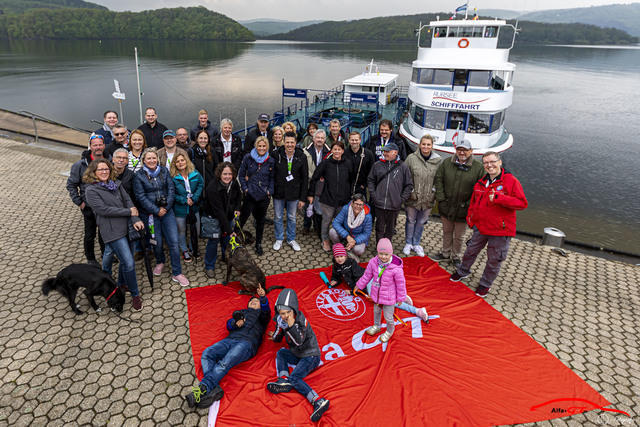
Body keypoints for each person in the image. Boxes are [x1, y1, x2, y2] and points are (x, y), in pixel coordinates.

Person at [450, 152, 528, 297]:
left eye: (492, 161)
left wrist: (500, 198)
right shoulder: (481, 182)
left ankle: (485, 284)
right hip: (481, 227)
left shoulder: (510, 181)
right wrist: (470, 219)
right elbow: (474, 202)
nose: (489, 165)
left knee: (494, 259)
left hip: (500, 230)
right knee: (470, 251)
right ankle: (463, 271)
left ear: (499, 162)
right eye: (486, 163)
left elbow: (522, 203)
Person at [185, 286, 270, 409]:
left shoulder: (262, 316)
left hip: (246, 343)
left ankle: (201, 390)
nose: (253, 301)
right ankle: (214, 389)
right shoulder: (242, 312)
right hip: (230, 340)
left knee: (224, 363)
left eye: (256, 302)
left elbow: (267, 311)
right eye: (251, 301)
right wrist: (235, 324)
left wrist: (262, 298)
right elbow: (229, 325)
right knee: (207, 353)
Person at [83, 159, 145, 311]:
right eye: (100, 170)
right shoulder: (91, 190)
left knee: (125, 262)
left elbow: (128, 200)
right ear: (93, 173)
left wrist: (135, 218)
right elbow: (104, 210)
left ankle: (122, 285)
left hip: (128, 227)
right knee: (129, 263)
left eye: (106, 169)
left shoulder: (115, 183)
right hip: (112, 231)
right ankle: (135, 295)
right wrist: (128, 212)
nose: (104, 172)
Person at [267, 288, 330, 423]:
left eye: (285, 313)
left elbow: (299, 342)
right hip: (297, 354)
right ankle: (284, 379)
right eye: (280, 313)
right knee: (281, 353)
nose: (283, 316)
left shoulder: (301, 322)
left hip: (310, 355)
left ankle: (318, 401)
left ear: (293, 311)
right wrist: (276, 336)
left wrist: (291, 326)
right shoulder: (281, 318)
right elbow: (279, 332)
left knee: (295, 377)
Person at [133, 147, 190, 287]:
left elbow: (171, 189)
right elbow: (140, 197)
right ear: (144, 161)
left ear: (157, 159)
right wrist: (156, 210)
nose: (152, 160)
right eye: (149, 158)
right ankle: (160, 261)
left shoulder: (164, 171)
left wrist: (166, 207)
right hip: (150, 215)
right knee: (156, 242)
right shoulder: (138, 176)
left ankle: (177, 272)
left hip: (167, 212)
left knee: (174, 242)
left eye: (154, 158)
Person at [433, 139, 484, 267]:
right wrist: (441, 199)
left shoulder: (478, 168)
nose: (462, 152)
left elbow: (480, 189)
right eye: (459, 149)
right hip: (446, 206)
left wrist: (467, 205)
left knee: (459, 236)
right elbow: (438, 179)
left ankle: (456, 256)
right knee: (447, 231)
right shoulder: (446, 163)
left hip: (464, 209)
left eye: (465, 150)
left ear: (471, 151)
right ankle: (445, 253)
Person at [355, 238, 407, 343]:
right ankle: (377, 326)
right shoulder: (373, 262)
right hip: (376, 295)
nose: (383, 257)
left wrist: (401, 297)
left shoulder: (396, 269)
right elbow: (366, 276)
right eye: (381, 254)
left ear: (391, 254)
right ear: (377, 252)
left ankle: (389, 331)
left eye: (386, 254)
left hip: (389, 297)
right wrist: (359, 285)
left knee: (388, 317)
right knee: (376, 312)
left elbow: (400, 284)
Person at [66, 133, 106, 265]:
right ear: (90, 146)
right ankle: (90, 259)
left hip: (105, 205)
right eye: (95, 145)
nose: (98, 147)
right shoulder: (80, 165)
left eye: (100, 144)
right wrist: (79, 202)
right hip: (88, 206)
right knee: (90, 234)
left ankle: (106, 254)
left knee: (104, 233)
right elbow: (71, 184)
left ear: (104, 145)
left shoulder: (109, 160)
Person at [307, 141, 353, 252]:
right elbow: (314, 178)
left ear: (342, 151)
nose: (337, 151)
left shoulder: (348, 163)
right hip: (328, 199)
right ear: (331, 151)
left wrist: (350, 195)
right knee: (326, 221)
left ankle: (339, 240)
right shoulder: (325, 163)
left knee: (341, 222)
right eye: (335, 149)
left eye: (339, 149)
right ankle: (325, 240)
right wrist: (311, 194)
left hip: (343, 200)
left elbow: (351, 179)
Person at [403, 134, 442, 257]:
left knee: (421, 221)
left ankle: (416, 243)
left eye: (428, 144)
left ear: (432, 146)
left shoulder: (438, 161)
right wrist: (410, 191)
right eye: (423, 144)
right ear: (419, 145)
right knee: (410, 220)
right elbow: (405, 176)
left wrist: (434, 192)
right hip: (413, 197)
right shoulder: (411, 158)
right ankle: (408, 242)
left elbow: (439, 179)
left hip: (428, 198)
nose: (425, 147)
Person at [367, 142, 413, 242]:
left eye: (388, 151)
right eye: (384, 151)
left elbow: (409, 185)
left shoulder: (403, 166)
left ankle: (387, 248)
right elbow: (370, 180)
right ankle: (379, 248)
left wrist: (401, 199)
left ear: (395, 152)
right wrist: (374, 195)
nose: (385, 153)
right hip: (379, 203)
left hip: (394, 205)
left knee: (390, 228)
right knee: (379, 227)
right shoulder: (377, 165)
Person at [202, 162, 242, 278]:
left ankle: (226, 257)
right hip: (213, 218)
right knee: (213, 242)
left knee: (226, 241)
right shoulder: (212, 188)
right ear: (219, 174)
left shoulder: (233, 182)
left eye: (230, 174)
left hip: (227, 216)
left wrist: (237, 208)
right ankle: (209, 266)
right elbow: (219, 211)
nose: (227, 177)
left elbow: (239, 196)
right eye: (225, 174)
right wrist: (230, 231)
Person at [238, 136, 275, 256]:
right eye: (259, 145)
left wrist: (270, 191)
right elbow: (241, 175)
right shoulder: (248, 158)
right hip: (250, 194)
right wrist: (245, 188)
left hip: (263, 196)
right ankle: (235, 240)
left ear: (267, 147)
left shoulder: (270, 160)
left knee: (260, 221)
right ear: (256, 146)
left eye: (264, 146)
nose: (262, 148)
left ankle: (258, 243)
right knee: (243, 218)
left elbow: (272, 178)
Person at [272, 131, 308, 252]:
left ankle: (291, 239)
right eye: (287, 142)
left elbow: (305, 178)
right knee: (277, 216)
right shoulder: (276, 154)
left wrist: (303, 198)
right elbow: (272, 174)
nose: (289, 145)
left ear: (296, 143)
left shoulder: (301, 156)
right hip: (279, 192)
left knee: (292, 217)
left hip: (294, 193)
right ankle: (279, 238)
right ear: (283, 142)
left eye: (292, 142)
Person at [170, 153, 204, 263]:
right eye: (178, 161)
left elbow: (201, 184)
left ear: (186, 161)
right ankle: (184, 250)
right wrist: (184, 200)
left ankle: (192, 246)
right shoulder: (173, 177)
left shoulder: (194, 173)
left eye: (182, 160)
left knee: (197, 229)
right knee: (181, 230)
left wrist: (195, 197)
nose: (180, 163)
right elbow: (172, 193)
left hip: (194, 207)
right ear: (174, 164)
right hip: (180, 208)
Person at [302, 129, 330, 236]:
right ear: (313, 139)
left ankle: (318, 226)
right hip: (309, 181)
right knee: (308, 204)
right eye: (317, 138)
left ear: (325, 140)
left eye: (322, 138)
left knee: (319, 206)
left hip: (322, 183)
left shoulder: (329, 152)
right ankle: (306, 226)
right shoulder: (306, 151)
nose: (319, 140)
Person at [329, 193, 372, 261]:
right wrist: (347, 236)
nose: (358, 206)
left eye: (360, 204)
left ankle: (349, 252)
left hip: (357, 238)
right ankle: (339, 248)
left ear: (363, 205)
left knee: (359, 250)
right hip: (346, 235)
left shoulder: (368, 217)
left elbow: (366, 234)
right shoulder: (346, 209)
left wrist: (354, 241)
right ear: (352, 203)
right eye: (356, 203)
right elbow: (336, 222)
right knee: (332, 232)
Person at [344, 131, 375, 197]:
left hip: (361, 188)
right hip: (346, 188)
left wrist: (364, 185)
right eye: (352, 140)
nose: (354, 142)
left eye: (356, 140)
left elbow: (372, 171)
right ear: (349, 140)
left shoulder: (368, 153)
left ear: (360, 140)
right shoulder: (344, 153)